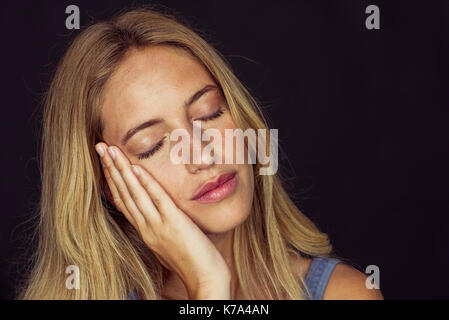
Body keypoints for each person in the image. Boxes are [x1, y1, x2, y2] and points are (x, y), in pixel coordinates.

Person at [18, 6, 383, 300]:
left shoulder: (346, 294)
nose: (203, 155)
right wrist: (208, 286)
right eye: (154, 145)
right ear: (108, 186)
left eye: (209, 113)